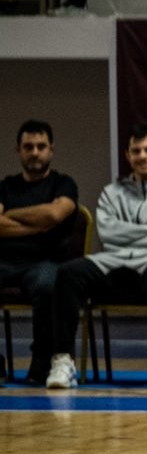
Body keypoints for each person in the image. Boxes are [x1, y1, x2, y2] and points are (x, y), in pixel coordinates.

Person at [50, 126, 147, 391]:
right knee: (68, 273)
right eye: (136, 151)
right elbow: (108, 234)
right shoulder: (111, 193)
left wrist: (128, 233)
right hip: (111, 264)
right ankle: (63, 361)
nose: (143, 156)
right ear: (127, 155)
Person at [0, 120, 78, 387]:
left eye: (41, 146)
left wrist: (10, 216)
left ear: (51, 149)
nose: (35, 152)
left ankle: (41, 363)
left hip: (46, 263)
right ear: (18, 150)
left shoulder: (64, 184)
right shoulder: (6, 186)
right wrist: (40, 225)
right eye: (28, 146)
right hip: (6, 261)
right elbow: (47, 217)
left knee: (47, 285)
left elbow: (56, 213)